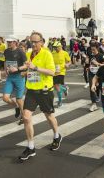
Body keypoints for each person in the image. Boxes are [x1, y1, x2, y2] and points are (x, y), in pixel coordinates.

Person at [18, 32, 62, 161]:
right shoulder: (28, 54)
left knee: (49, 116)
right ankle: (31, 147)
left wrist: (35, 68)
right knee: (26, 117)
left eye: (36, 42)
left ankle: (56, 135)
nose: (33, 44)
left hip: (44, 91)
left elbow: (52, 72)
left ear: (42, 42)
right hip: (31, 91)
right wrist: (22, 71)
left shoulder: (47, 54)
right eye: (31, 42)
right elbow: (29, 69)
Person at [3, 36, 27, 124]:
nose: (8, 43)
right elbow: (6, 61)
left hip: (19, 77)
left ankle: (24, 116)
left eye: (10, 42)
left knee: (19, 99)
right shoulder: (6, 51)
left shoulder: (20, 52)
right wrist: (5, 70)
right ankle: (16, 106)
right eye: (7, 42)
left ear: (15, 42)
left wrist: (17, 69)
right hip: (10, 77)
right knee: (5, 98)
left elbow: (26, 65)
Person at [52, 41, 70, 107]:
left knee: (57, 86)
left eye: (56, 47)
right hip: (54, 71)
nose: (55, 49)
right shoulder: (52, 53)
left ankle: (60, 101)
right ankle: (65, 89)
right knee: (55, 86)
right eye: (54, 47)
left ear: (60, 47)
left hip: (61, 71)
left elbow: (69, 61)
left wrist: (67, 64)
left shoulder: (65, 53)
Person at [87, 43, 104, 111]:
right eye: (91, 50)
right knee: (92, 88)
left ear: (97, 48)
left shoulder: (101, 56)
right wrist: (89, 67)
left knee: (102, 88)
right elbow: (91, 64)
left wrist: (98, 64)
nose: (92, 51)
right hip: (91, 73)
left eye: (94, 50)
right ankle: (94, 104)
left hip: (99, 75)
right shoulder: (91, 56)